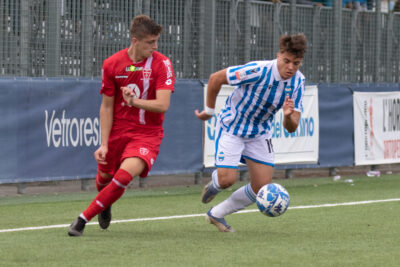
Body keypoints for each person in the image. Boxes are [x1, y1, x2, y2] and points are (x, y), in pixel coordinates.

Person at [68, 15, 175, 236]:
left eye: (156, 41)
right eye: (149, 42)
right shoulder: (112, 64)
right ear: (134, 40)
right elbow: (106, 107)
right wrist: (103, 144)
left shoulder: (163, 63)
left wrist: (134, 102)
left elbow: (163, 105)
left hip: (147, 134)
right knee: (104, 180)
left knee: (124, 176)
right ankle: (104, 204)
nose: (155, 47)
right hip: (118, 132)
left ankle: (82, 219)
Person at [195, 33, 307, 232]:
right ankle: (215, 184)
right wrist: (209, 111)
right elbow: (216, 78)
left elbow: (292, 126)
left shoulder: (298, 82)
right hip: (232, 127)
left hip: (259, 133)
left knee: (261, 188)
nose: (290, 67)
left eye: (296, 63)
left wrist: (288, 115)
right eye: (287, 61)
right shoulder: (258, 70)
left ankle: (216, 214)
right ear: (278, 55)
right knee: (227, 180)